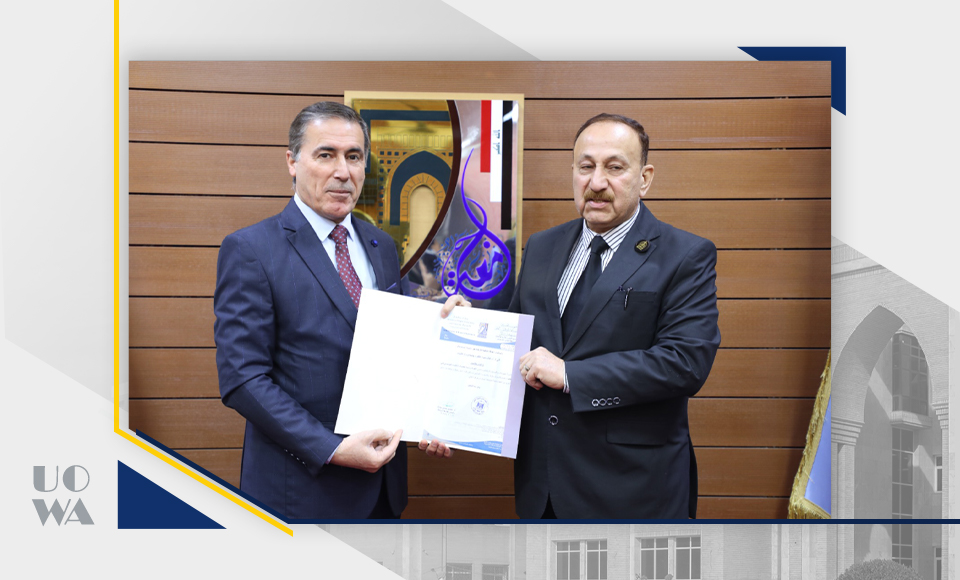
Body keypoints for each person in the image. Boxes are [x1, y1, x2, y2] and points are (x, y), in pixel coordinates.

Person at [214, 101, 454, 520]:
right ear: (292, 162)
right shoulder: (251, 249)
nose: (343, 171)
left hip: (384, 490)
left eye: (354, 157)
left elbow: (396, 350)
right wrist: (332, 449)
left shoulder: (381, 245)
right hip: (301, 494)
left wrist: (446, 329)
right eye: (326, 155)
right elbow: (243, 378)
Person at [473, 113, 719, 518]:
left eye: (615, 167)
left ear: (645, 178)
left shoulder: (685, 255)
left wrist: (571, 374)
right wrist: (469, 327)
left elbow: (685, 362)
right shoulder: (542, 247)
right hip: (544, 490)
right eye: (586, 167)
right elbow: (513, 341)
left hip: (633, 491)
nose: (597, 182)